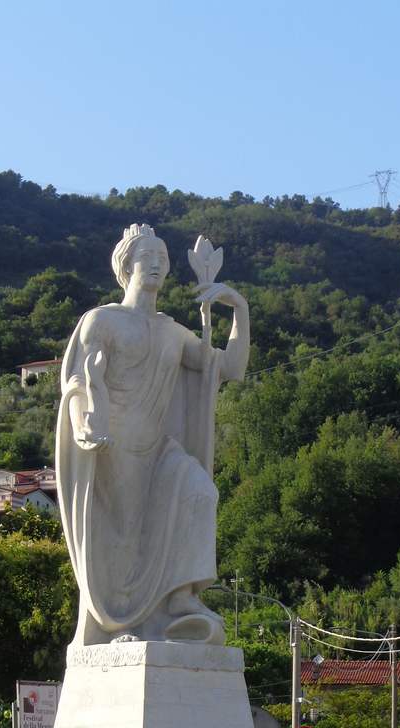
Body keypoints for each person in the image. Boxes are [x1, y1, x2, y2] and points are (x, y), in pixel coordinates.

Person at [56, 224, 249, 646]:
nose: (159, 264)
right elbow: (77, 383)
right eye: (148, 258)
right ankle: (121, 623)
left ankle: (180, 599)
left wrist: (238, 307)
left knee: (200, 489)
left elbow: (229, 369)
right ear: (126, 267)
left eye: (163, 257)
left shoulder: (173, 331)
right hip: (114, 446)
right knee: (125, 536)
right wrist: (85, 421)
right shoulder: (101, 321)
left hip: (160, 450)